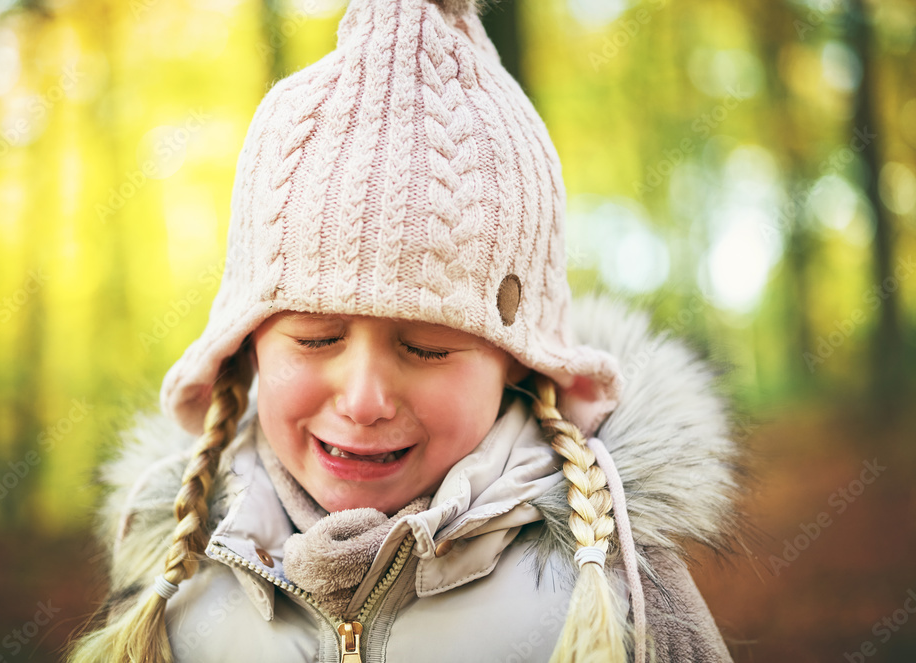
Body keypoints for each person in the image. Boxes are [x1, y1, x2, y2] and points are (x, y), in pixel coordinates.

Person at [70, 0, 743, 661]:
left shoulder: (615, 591)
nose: (364, 399)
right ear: (244, 345)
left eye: (426, 346)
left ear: (518, 359)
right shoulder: (175, 593)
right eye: (315, 338)